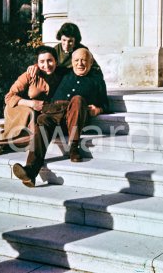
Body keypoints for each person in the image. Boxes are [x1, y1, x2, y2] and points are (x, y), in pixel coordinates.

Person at [12, 48, 108, 188]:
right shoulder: (64, 72)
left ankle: (73, 147)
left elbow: (106, 103)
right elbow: (48, 66)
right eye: (76, 60)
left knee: (78, 99)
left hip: (76, 115)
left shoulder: (97, 80)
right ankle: (30, 171)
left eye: (84, 60)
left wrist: (98, 109)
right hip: (55, 114)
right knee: (43, 122)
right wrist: (35, 66)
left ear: (91, 62)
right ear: (72, 62)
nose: (80, 63)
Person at [0, 46, 62, 155]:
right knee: (33, 124)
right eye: (42, 62)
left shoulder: (61, 75)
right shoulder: (29, 75)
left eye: (50, 61)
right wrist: (31, 103)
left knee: (38, 135)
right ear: (37, 63)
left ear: (56, 61)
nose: (46, 65)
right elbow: (9, 97)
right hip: (19, 108)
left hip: (40, 113)